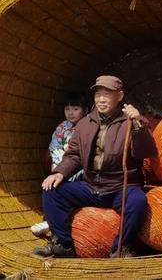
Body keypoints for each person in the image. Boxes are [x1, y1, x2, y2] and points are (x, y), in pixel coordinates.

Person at [33, 75, 155, 259]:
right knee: (51, 190)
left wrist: (138, 124)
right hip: (91, 187)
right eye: (98, 94)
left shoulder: (131, 122)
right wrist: (59, 172)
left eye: (107, 94)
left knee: (137, 201)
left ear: (120, 96)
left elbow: (144, 151)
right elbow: (74, 154)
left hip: (120, 187)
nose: (101, 99)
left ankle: (121, 248)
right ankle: (63, 245)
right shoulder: (84, 124)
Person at [31, 92, 89, 237]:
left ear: (86, 110)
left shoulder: (88, 126)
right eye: (67, 109)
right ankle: (49, 220)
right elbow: (53, 148)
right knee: (50, 186)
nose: (71, 113)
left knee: (64, 191)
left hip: (79, 168)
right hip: (59, 165)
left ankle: (51, 223)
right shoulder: (62, 127)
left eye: (75, 109)